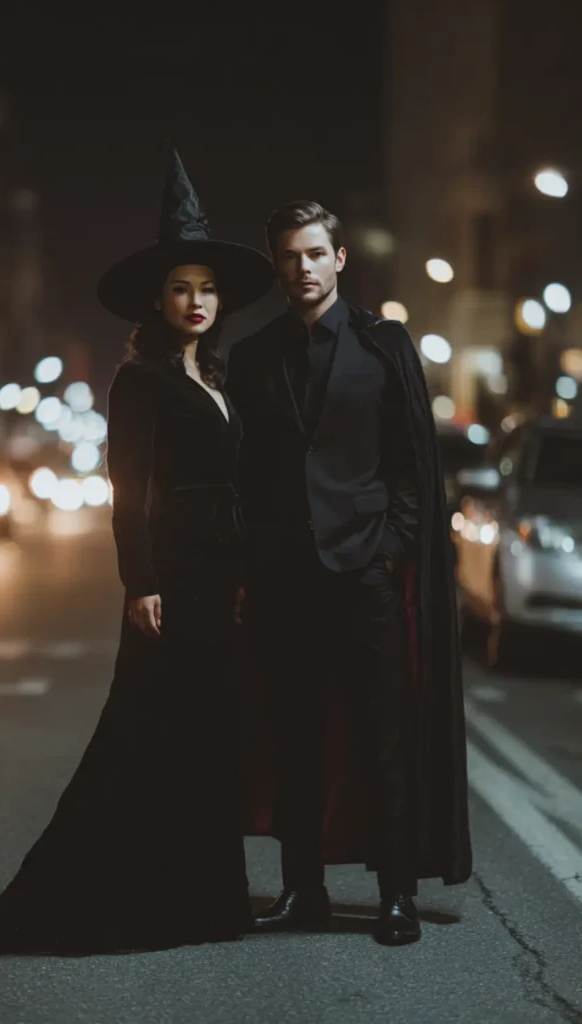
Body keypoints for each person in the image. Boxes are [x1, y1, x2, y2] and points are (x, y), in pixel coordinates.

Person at [0, 148, 274, 955]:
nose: (196, 300)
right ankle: (99, 891)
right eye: (181, 287)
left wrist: (247, 572)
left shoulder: (215, 376)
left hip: (223, 576)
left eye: (207, 288)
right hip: (174, 576)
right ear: (158, 298)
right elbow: (129, 488)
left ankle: (208, 897)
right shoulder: (142, 379)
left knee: (210, 734)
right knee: (144, 732)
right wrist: (140, 583)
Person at [227, 200, 472, 946]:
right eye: (288, 256)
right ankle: (304, 891)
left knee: (382, 738)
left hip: (363, 570)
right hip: (284, 580)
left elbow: (410, 465)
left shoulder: (383, 345)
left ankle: (394, 893)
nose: (301, 267)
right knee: (295, 738)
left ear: (338, 259)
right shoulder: (254, 355)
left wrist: (389, 549)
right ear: (277, 265)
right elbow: (244, 474)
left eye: (313, 253)